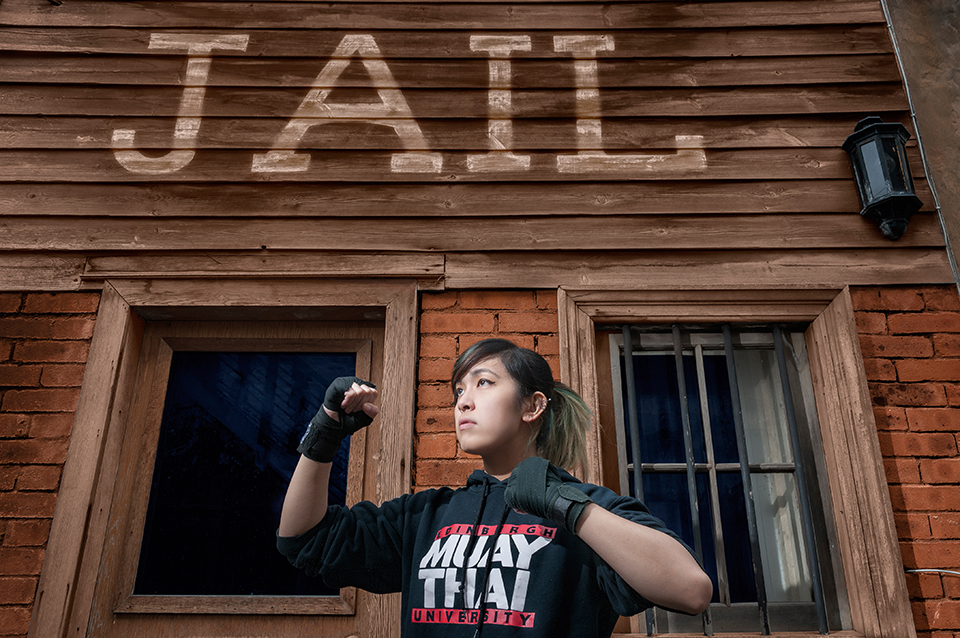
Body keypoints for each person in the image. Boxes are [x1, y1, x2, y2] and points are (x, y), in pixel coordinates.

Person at [278, 338, 712, 637]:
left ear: (532, 405)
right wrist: (325, 433)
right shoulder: (425, 517)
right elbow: (302, 539)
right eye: (458, 391)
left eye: (483, 383)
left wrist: (568, 506)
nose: (462, 401)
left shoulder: (590, 510)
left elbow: (691, 591)